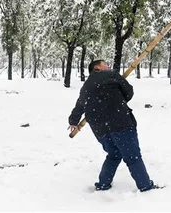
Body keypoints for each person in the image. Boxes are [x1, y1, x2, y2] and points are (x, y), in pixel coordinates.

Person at [68, 59, 159, 192]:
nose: (108, 66)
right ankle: (145, 185)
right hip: (120, 122)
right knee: (132, 156)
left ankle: (103, 183)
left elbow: (80, 105)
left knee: (114, 154)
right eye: (105, 64)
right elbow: (129, 92)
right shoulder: (112, 75)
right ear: (96, 68)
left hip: (100, 128)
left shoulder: (86, 86)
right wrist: (116, 99)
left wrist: (73, 121)